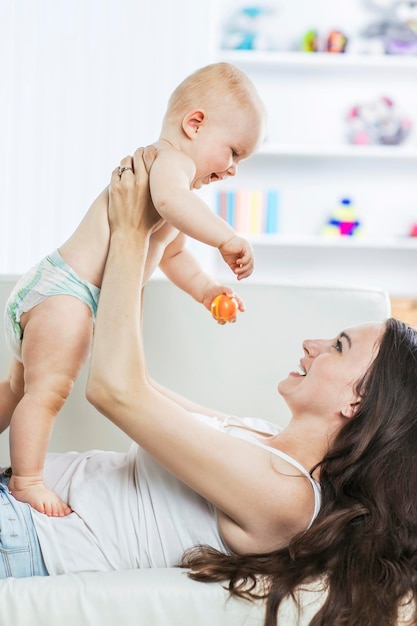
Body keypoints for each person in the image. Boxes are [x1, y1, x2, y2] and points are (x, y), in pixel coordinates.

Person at [1, 148, 417, 626]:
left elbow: (116, 391)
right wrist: (150, 242)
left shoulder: (290, 499)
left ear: (357, 400)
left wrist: (133, 231)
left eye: (339, 346)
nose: (312, 344)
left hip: (24, 536)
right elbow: (140, 385)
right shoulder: (262, 437)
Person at [0, 62, 266, 516]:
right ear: (195, 123)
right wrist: (226, 237)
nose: (234, 169)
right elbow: (170, 203)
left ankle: (24, 471)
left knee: (16, 387)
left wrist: (205, 290)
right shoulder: (168, 163)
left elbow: (172, 253)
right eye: (234, 152)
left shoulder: (174, 183)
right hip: (69, 295)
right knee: (46, 394)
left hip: (53, 286)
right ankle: (26, 481)